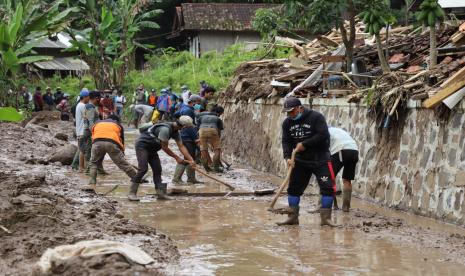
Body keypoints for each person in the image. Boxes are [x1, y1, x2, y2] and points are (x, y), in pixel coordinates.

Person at [278, 97, 337, 227]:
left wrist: (305, 144)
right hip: (300, 160)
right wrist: (287, 157)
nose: (290, 115)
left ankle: (326, 219)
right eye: (287, 112)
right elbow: (286, 141)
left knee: (328, 188)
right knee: (293, 189)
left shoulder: (316, 117)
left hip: (320, 158)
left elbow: (323, 135)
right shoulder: (287, 123)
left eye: (292, 111)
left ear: (300, 108)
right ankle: (292, 217)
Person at [128, 116, 196, 201]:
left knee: (157, 170)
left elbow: (181, 146)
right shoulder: (165, 130)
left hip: (153, 149)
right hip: (142, 146)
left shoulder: (176, 132)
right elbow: (165, 147)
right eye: (188, 127)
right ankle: (132, 193)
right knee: (143, 169)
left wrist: (191, 160)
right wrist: (176, 158)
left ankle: (160, 194)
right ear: (184, 126)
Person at [87, 115, 137, 190]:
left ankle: (92, 181)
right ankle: (136, 178)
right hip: (112, 143)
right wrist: (122, 152)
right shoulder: (118, 125)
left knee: (93, 162)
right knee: (122, 163)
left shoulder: (97, 123)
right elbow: (121, 140)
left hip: (97, 142)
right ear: (116, 120)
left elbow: (93, 135)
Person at [172, 95, 203, 185]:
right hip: (189, 144)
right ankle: (179, 179)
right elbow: (196, 140)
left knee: (188, 159)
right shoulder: (191, 128)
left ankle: (190, 178)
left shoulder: (183, 128)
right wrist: (201, 145)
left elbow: (175, 114)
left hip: (185, 143)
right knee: (188, 160)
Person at [329, 127, 359, 212]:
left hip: (342, 149)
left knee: (327, 177)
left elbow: (325, 152)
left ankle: (322, 206)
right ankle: (346, 207)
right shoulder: (337, 131)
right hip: (354, 151)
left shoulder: (324, 132)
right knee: (347, 179)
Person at [83, 91, 107, 174]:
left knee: (95, 151)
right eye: (99, 98)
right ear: (97, 98)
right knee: (90, 152)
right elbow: (90, 122)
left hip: (92, 131)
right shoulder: (90, 107)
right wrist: (94, 134)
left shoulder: (92, 106)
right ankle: (88, 171)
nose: (100, 100)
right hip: (90, 132)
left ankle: (98, 170)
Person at [197, 105, 224, 173]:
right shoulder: (218, 119)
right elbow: (219, 130)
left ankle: (206, 167)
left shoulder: (201, 116)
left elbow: (198, 126)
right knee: (217, 149)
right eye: (221, 114)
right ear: (219, 113)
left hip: (201, 130)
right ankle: (216, 167)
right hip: (213, 130)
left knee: (203, 149)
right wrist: (216, 144)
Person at [75, 89, 90, 172]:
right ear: (85, 97)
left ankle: (82, 168)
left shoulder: (79, 105)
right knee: (83, 150)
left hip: (79, 131)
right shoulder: (82, 106)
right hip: (82, 131)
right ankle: (81, 168)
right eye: (88, 97)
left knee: (82, 150)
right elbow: (86, 117)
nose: (89, 99)